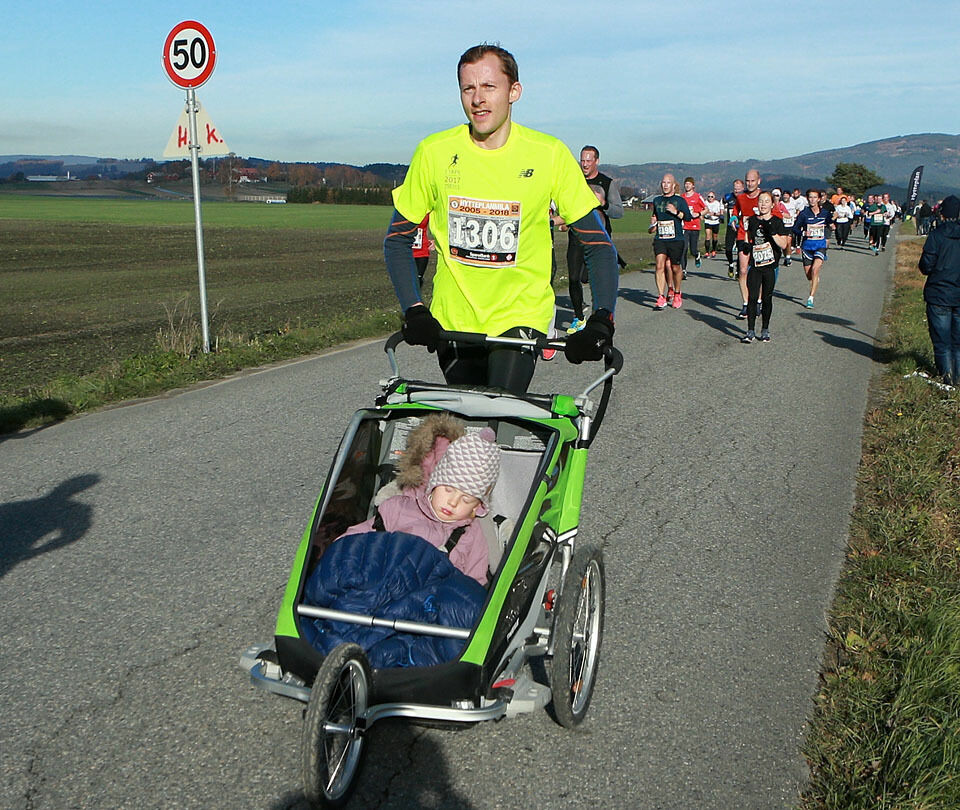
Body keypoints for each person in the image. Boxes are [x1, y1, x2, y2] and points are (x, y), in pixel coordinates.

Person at [384, 44, 619, 395]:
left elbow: (598, 245)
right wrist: (414, 309)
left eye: (489, 87)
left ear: (514, 92)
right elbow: (397, 238)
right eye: (468, 88)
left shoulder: (549, 154)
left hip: (520, 317)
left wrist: (602, 318)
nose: (477, 98)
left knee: (497, 414)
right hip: (454, 321)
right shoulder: (434, 152)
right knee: (467, 434)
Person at [339, 414, 501, 586]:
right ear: (434, 485)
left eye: (466, 500)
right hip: (380, 584)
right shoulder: (398, 507)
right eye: (447, 490)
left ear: (477, 507)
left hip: (431, 602)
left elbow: (474, 583)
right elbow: (352, 541)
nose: (453, 502)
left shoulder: (473, 534)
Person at [563, 145, 625, 333]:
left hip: (599, 239)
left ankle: (601, 314)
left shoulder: (607, 183)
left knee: (585, 277)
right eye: (582, 160)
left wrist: (604, 203)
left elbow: (619, 212)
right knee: (573, 277)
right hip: (576, 236)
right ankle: (578, 317)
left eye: (589, 160)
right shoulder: (575, 181)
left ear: (596, 161)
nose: (585, 164)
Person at [918, 195, 960, 386]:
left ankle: (947, 380)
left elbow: (926, 265)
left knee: (942, 343)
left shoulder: (936, 236)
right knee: (957, 343)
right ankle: (957, 381)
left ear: (942, 215)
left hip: (939, 293)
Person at [741, 191, 790, 343]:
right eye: (760, 201)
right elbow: (748, 238)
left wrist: (773, 233)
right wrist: (746, 246)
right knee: (752, 297)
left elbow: (783, 244)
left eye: (766, 201)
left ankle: (765, 329)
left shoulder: (777, 221)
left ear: (772, 204)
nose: (763, 204)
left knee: (767, 298)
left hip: (770, 266)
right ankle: (750, 331)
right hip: (755, 265)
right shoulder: (752, 221)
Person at [649, 173, 692, 309]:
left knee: (675, 267)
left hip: (676, 239)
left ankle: (677, 292)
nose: (665, 185)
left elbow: (688, 218)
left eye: (668, 183)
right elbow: (655, 216)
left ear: (673, 185)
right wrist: (653, 223)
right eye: (663, 182)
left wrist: (676, 212)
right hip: (660, 238)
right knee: (660, 266)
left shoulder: (679, 201)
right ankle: (661, 296)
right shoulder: (657, 200)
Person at [793, 188, 833, 308]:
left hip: (820, 246)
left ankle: (811, 298)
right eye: (810, 197)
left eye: (815, 197)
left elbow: (830, 224)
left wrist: (831, 227)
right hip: (807, 246)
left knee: (815, 270)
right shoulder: (804, 214)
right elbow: (795, 228)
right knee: (809, 274)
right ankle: (815, 279)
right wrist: (803, 233)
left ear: (819, 199)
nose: (812, 200)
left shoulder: (825, 213)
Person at [733, 169, 765, 319]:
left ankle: (758, 300)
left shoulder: (764, 198)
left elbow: (775, 213)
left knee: (758, 271)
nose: (750, 184)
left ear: (759, 181)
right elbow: (735, 210)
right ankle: (746, 304)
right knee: (743, 270)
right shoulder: (741, 197)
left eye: (753, 181)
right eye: (747, 181)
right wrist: (734, 220)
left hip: (759, 239)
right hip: (743, 237)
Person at [681, 177, 707, 276]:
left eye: (689, 184)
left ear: (693, 186)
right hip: (684, 227)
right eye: (686, 184)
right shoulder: (682, 197)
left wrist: (699, 214)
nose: (687, 185)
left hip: (695, 226)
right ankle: (683, 270)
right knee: (683, 248)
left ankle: (697, 255)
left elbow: (706, 209)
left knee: (693, 250)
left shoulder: (697, 197)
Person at [723, 179, 745, 277]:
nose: (737, 191)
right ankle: (731, 264)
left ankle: (738, 270)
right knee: (728, 249)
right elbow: (722, 204)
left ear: (743, 188)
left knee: (741, 250)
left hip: (741, 228)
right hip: (730, 227)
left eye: (739, 189)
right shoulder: (728, 197)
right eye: (735, 189)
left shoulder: (745, 197)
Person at [412, 215, 434, 286]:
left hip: (422, 251)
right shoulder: (404, 207)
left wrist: (435, 241)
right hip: (405, 250)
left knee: (418, 280)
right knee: (406, 281)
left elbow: (439, 224)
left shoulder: (428, 209)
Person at [703, 191, 723, 258]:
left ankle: (714, 250)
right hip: (708, 221)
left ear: (714, 197)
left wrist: (714, 214)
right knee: (707, 236)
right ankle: (707, 252)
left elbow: (720, 213)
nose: (710, 198)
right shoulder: (705, 203)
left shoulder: (717, 203)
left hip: (715, 221)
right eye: (709, 196)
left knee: (715, 237)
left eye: (712, 196)